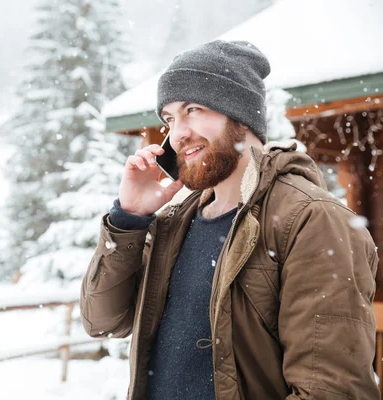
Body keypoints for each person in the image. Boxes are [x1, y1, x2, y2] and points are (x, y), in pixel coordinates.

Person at [80, 39, 379, 400]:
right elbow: (102, 321)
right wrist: (129, 219)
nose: (178, 134)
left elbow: (331, 390)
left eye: (194, 109)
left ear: (240, 114)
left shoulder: (311, 219)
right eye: (170, 118)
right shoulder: (175, 222)